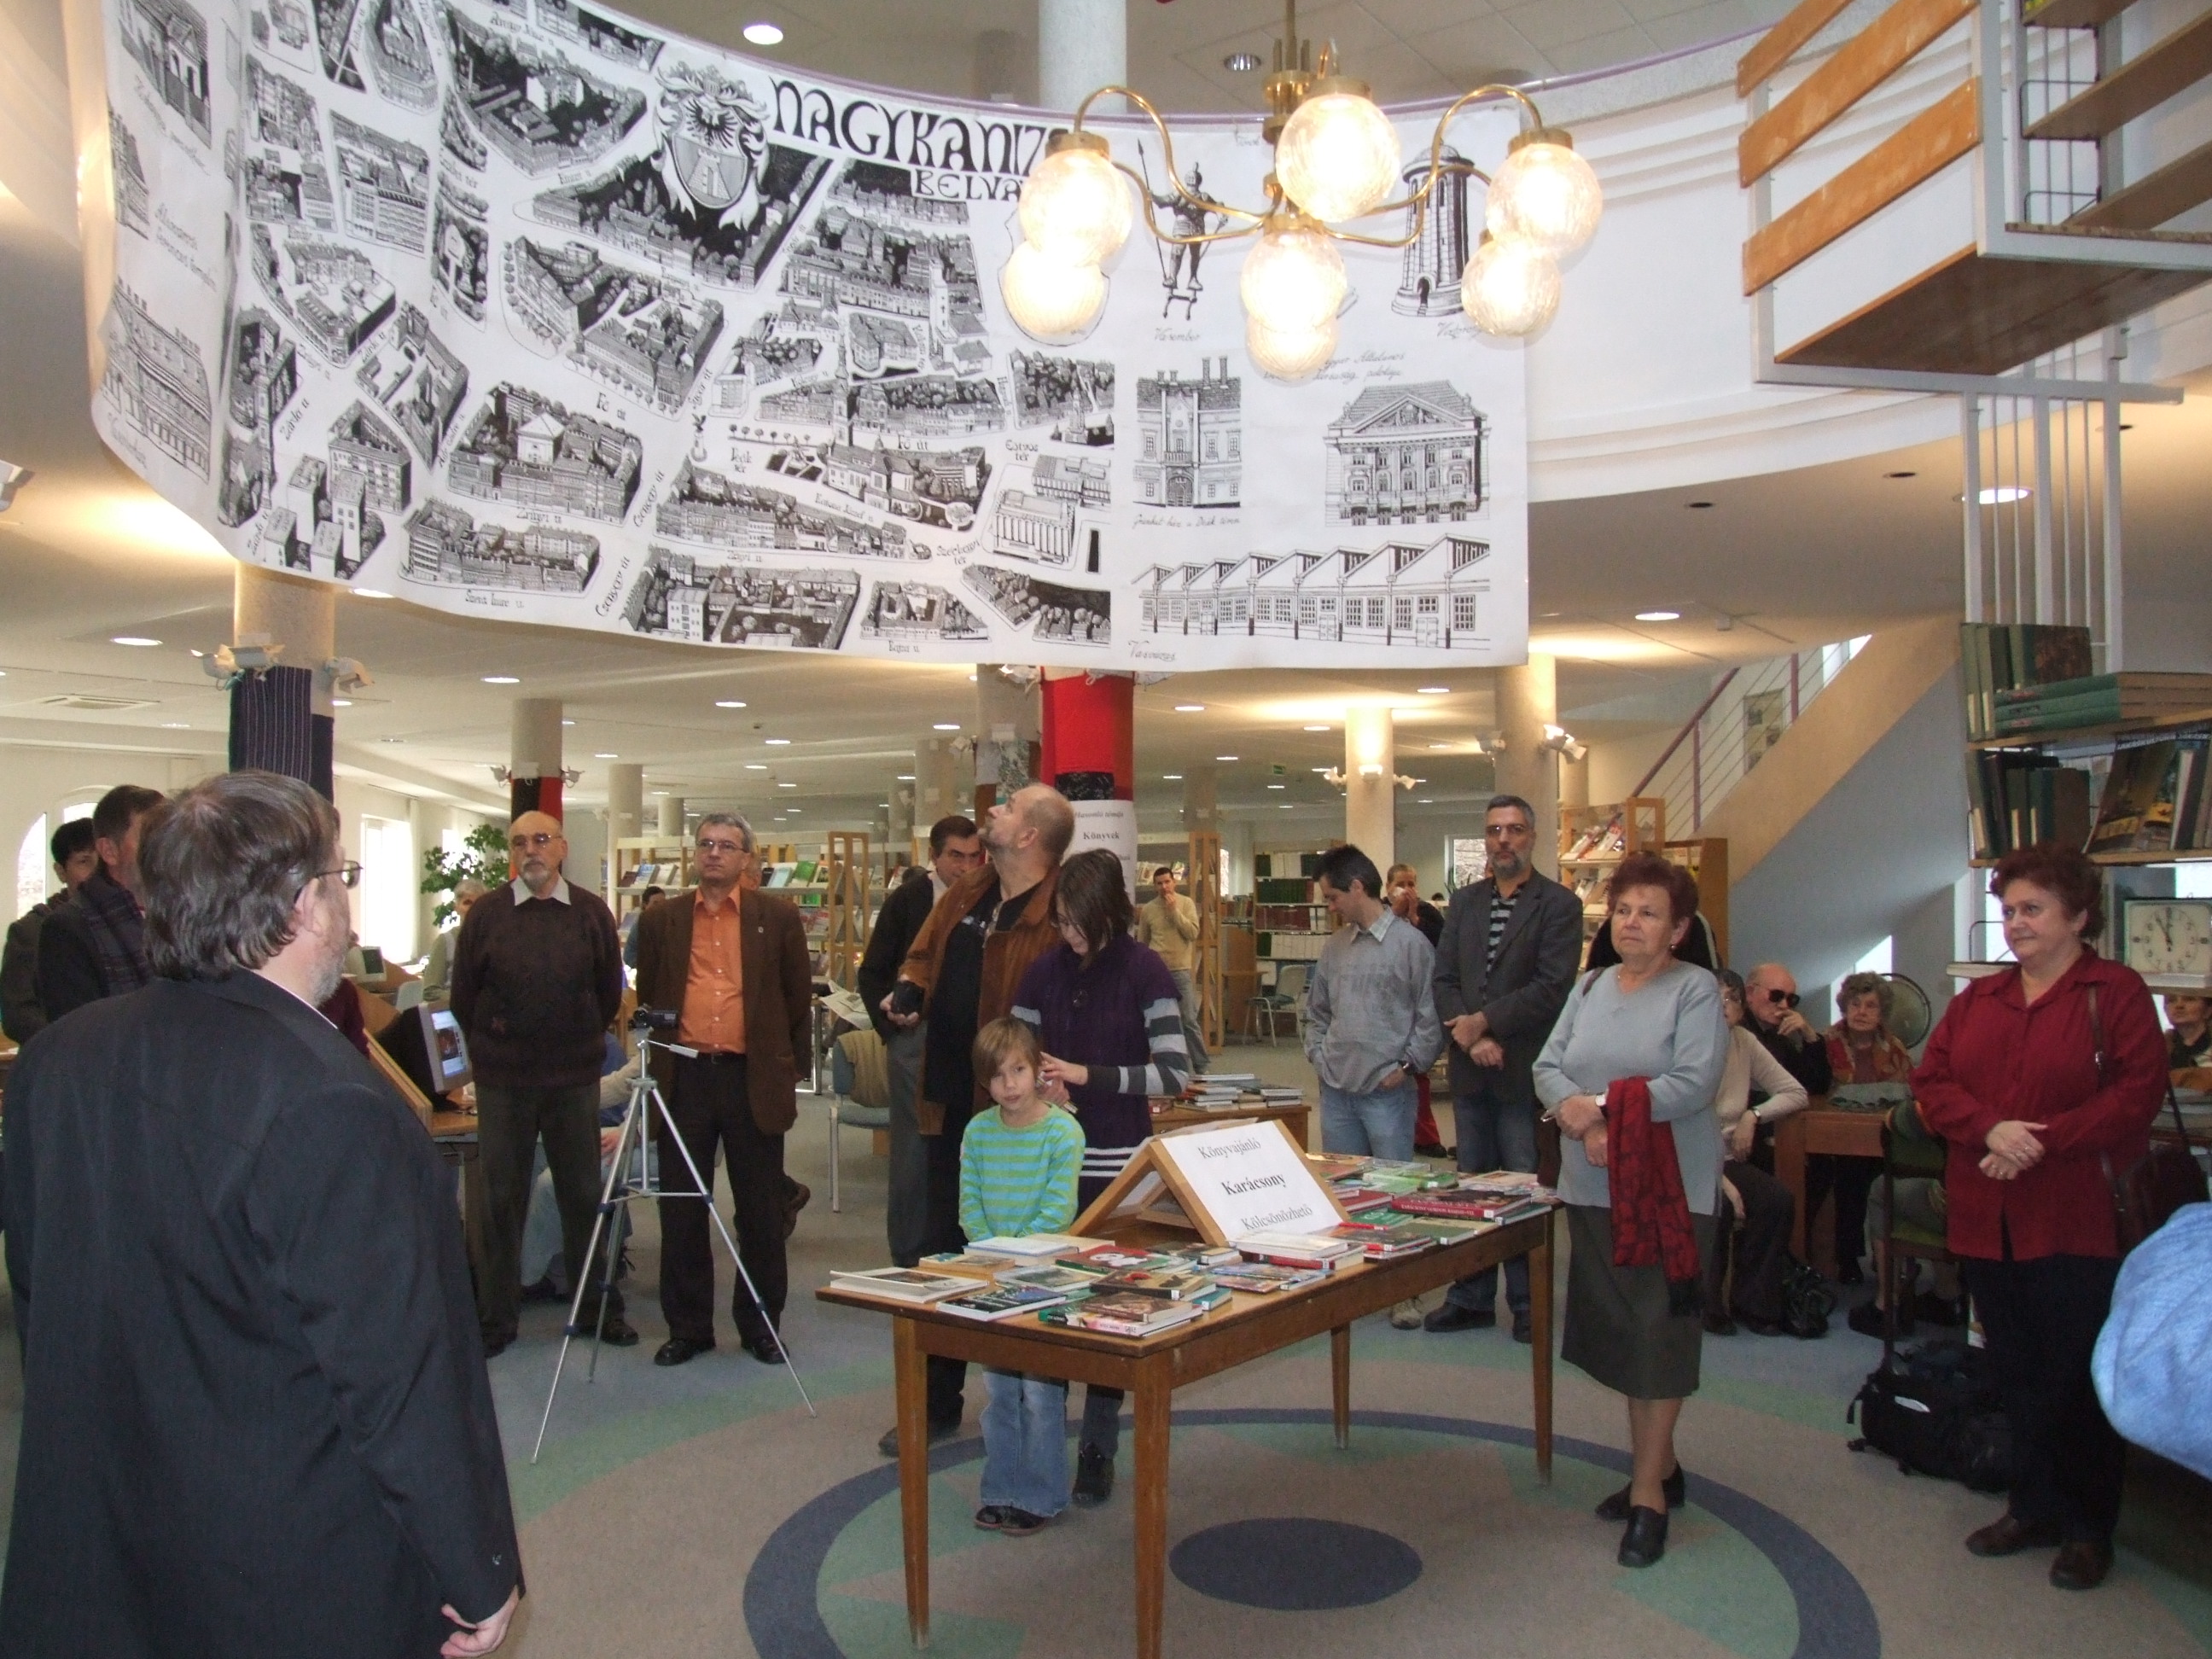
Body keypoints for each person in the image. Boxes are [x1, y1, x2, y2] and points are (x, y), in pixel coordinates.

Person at [0, 771, 520, 1656]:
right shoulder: (336, 1102)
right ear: (303, 903)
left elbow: (42, 1293)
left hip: (92, 1543)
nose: (346, 905)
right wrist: (476, 1566)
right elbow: (399, 1378)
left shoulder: (57, 1061)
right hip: (276, 1573)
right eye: (342, 877)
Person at [1912, 841, 2165, 1592]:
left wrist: (2038, 1144)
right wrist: (1991, 1130)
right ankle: (2031, 1506)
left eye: (2033, 909)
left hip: (2074, 1217)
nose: (2016, 923)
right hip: (1987, 1215)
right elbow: (1932, 1082)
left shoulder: (2114, 992)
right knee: (2015, 1370)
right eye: (2009, 909)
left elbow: (2136, 1094)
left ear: (2079, 917)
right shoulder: (1980, 999)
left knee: (2075, 1374)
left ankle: (2088, 1527)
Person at [1534, 851, 1729, 1570]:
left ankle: (1648, 1495)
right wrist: (1581, 1118)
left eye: (1649, 913)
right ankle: (1663, 1468)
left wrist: (1604, 1108)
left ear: (1678, 930)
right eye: (1622, 910)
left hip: (1671, 1194)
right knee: (1623, 1335)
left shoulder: (1696, 990)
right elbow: (1547, 1067)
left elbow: (1692, 1082)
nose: (1631, 924)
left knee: (1659, 1336)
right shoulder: (1588, 986)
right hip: (1593, 1191)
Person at [880, 783, 1074, 1453]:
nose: (992, 810)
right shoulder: (968, 890)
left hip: (1016, 1115)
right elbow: (923, 952)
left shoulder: (1058, 913)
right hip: (947, 1106)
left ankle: (1036, 1415)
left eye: (1008, 807)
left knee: (1024, 1257)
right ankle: (936, 1403)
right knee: (941, 1254)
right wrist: (910, 989)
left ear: (1030, 836)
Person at [1013, 847, 1193, 1505]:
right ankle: (1043, 1446)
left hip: (1119, 1165)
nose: (1069, 935)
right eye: (1061, 921)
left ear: (1111, 913)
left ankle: (1097, 1445)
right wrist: (1037, 1084)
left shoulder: (1147, 970)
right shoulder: (1042, 972)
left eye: (1080, 923)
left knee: (1111, 1309)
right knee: (1052, 1302)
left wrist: (1088, 1076)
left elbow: (1174, 1074)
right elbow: (1013, 1058)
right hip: (1051, 1163)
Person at [632, 812, 812, 1367]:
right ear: (695, 853)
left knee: (759, 1212)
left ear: (746, 858)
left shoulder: (777, 918)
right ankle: (688, 1328)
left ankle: (761, 1326)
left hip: (750, 1077)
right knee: (682, 1209)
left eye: (727, 846)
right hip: (684, 1077)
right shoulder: (662, 919)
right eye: (706, 844)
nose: (714, 853)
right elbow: (650, 994)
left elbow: (796, 1000)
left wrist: (789, 1070)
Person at [451, 811, 633, 1357]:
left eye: (541, 839)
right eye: (519, 842)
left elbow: (609, 993)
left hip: (573, 1079)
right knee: (499, 1200)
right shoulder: (487, 915)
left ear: (562, 848)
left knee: (581, 1196)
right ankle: (495, 1321)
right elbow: (463, 999)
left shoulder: (591, 914)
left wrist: (574, 1039)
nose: (530, 849)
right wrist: (499, 1045)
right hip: (504, 1082)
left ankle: (596, 1311)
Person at [1426, 798, 1581, 1342]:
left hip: (1521, 1070)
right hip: (1471, 1069)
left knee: (1519, 1189)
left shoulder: (1559, 905)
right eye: (1494, 830)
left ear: (1532, 836)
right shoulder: (1465, 902)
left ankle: (1528, 1303)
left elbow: (1551, 987)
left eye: (1514, 829)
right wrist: (1470, 1036)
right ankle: (1469, 1297)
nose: (1503, 840)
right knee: (1472, 1187)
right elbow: (1444, 979)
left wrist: (1485, 1023)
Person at [1306, 844, 1443, 1326]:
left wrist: (1407, 1066)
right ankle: (1355, 1286)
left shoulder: (1412, 946)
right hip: (1337, 1088)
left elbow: (1430, 1017)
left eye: (1332, 897)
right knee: (1343, 1193)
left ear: (1357, 887)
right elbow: (1317, 1011)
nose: (1330, 907)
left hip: (1387, 1091)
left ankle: (1403, 1291)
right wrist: (1318, 1056)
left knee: (1393, 1193)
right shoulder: (1334, 948)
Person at [961, 1018, 1085, 1537]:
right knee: (999, 1394)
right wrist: (992, 1252)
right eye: (997, 1075)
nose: (1009, 1084)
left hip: (1044, 1277)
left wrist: (1015, 1254)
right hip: (992, 1276)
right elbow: (969, 1204)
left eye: (1018, 1070)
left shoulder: (1063, 1132)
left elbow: (1057, 1212)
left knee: (1039, 1395)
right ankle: (1001, 1488)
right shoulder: (977, 1131)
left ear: (1038, 1070)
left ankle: (1042, 1494)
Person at [858, 814, 982, 1266]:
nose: (965, 867)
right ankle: (910, 1255)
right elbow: (872, 972)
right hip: (916, 1040)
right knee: (913, 1151)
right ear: (934, 856)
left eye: (974, 857)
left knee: (968, 1144)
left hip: (971, 1041)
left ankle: (962, 1249)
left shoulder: (988, 898)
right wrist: (895, 1031)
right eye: (955, 856)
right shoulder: (908, 901)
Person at [1705, 969, 1807, 1335]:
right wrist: (1720, 1180)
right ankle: (1706, 1305)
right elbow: (1678, 1123)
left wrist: (1754, 1115)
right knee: (1719, 1204)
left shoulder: (1743, 1041)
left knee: (1776, 1199)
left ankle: (1754, 1304)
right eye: (1716, 997)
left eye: (1732, 999)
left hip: (1727, 1157)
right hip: (1687, 1158)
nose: (1724, 1006)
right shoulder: (1682, 1044)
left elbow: (1795, 1092)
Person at [33, 783, 164, 1024]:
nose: (163, 849)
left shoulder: (186, 916)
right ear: (109, 851)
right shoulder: (68, 928)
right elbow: (77, 1030)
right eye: (149, 838)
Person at [0, 818, 99, 1043]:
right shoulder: (31, 931)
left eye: (102, 861)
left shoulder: (123, 923)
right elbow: (18, 1015)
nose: (96, 873)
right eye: (84, 861)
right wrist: (76, 1039)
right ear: (61, 871)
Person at [1386, 862, 1449, 1158]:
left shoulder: (1429, 914)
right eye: (1400, 883)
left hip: (1419, 999)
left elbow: (1442, 948)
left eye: (1411, 883)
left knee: (1417, 1075)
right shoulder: (1380, 914)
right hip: (1389, 1004)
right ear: (1388, 887)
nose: (1407, 889)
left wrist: (1413, 918)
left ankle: (1425, 1135)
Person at [1134, 862, 1209, 1074]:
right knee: (1152, 1019)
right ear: (1154, 886)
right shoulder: (1148, 909)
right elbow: (1143, 942)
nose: (1164, 887)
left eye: (1167, 882)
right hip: (1156, 972)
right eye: (1159, 883)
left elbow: (1192, 933)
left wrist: (1174, 911)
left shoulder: (1186, 903)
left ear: (1174, 882)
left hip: (1180, 971)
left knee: (1188, 1020)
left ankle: (1201, 1065)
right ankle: (1155, 1063)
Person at [419, 876, 488, 1000]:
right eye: (467, 903)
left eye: (478, 903)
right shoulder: (445, 941)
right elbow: (430, 991)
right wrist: (464, 998)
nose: (473, 908)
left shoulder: (494, 940)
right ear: (456, 907)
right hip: (453, 1008)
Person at [621, 885, 665, 972]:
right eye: (655, 903)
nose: (660, 907)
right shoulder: (639, 927)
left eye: (663, 903)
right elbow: (628, 956)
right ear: (645, 905)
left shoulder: (671, 925)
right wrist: (646, 965)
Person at [2163, 992, 2210, 1068]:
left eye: (2189, 999)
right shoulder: (2158, 1047)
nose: (2179, 1005)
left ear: (2208, 1010)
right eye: (2171, 1000)